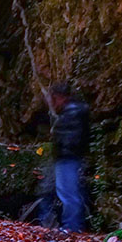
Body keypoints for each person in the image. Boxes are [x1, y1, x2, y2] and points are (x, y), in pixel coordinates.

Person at [49, 81, 90, 232]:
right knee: (68, 192)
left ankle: (72, 227)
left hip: (68, 158)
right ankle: (72, 225)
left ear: (61, 97)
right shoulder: (72, 111)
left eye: (54, 99)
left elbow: (69, 138)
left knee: (68, 193)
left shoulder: (71, 113)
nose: (53, 103)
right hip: (68, 157)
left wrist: (59, 145)